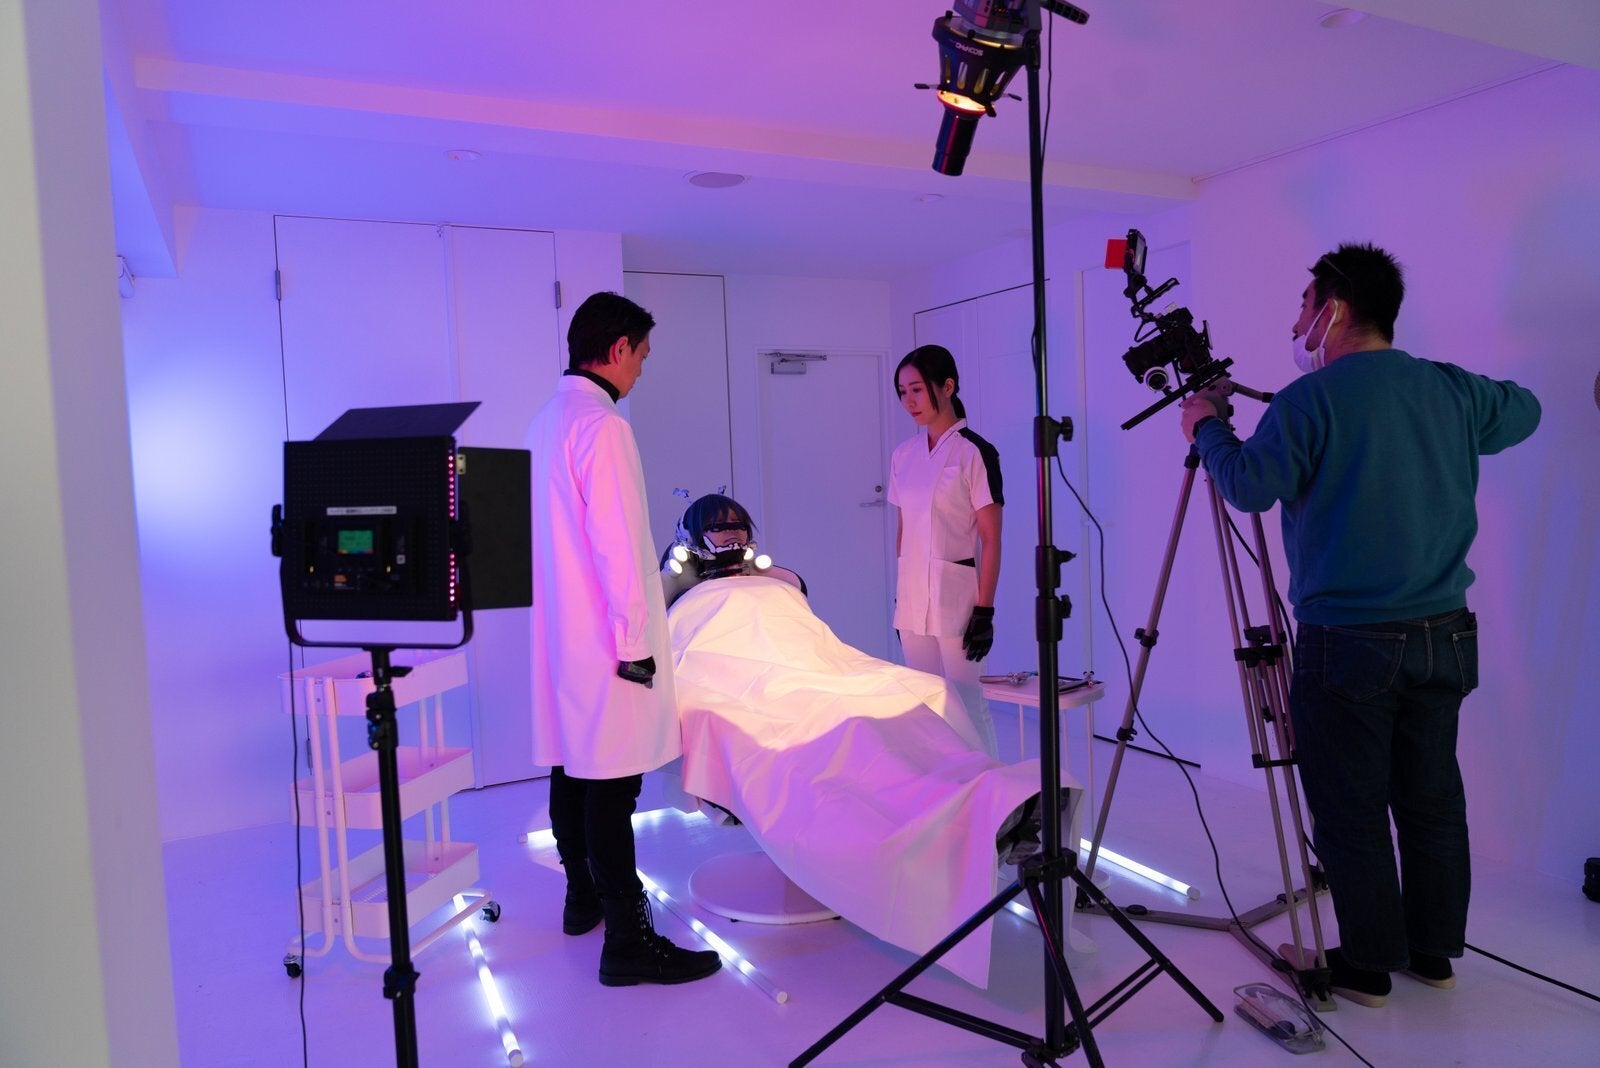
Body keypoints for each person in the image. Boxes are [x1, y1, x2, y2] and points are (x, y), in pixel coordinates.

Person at [1179, 243, 1540, 1008]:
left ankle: (1370, 966)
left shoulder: (1309, 402)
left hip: (1350, 642)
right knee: (1432, 801)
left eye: (1304, 305)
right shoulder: (1448, 387)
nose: (1296, 323)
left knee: (1351, 808)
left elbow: (1248, 485)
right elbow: (1526, 410)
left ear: (1334, 310)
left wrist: (1206, 427)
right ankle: (1434, 954)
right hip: (1446, 635)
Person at [525, 290, 719, 987]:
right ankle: (629, 942)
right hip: (607, 639)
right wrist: (636, 644)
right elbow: (621, 547)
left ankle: (582, 900)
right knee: (610, 786)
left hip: (562, 635)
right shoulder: (603, 427)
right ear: (616, 350)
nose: (642, 367)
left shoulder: (545, 422)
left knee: (571, 768)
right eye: (641, 353)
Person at [888, 345, 1004, 759]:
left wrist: (984, 611)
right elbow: (904, 532)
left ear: (947, 386)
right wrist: (902, 597)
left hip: (958, 599)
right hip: (913, 599)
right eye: (902, 392)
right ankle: (942, 786)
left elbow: (991, 538)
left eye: (917, 389)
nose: (909, 401)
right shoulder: (903, 455)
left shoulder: (974, 452)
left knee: (967, 706)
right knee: (924, 704)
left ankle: (992, 788)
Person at [660, 493, 806, 609]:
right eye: (717, 526)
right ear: (690, 537)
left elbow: (795, 584)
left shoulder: (758, 575)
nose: (731, 531)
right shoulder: (681, 584)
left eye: (738, 525)